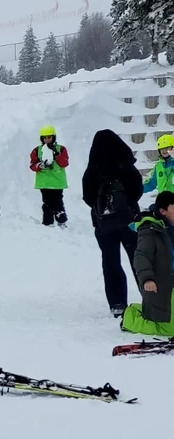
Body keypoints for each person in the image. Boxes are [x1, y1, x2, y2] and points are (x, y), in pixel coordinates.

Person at [82, 129, 143, 317]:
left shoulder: (92, 170)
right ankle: (150, 297)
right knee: (139, 260)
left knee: (110, 262)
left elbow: (87, 197)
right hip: (129, 221)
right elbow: (137, 189)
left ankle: (117, 303)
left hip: (104, 224)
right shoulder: (125, 166)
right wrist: (126, 204)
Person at [122, 191, 174, 336]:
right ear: (163, 211)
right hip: (163, 287)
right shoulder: (150, 230)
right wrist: (147, 279)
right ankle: (130, 317)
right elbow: (142, 256)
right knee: (169, 330)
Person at [29, 126, 69, 227]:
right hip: (44, 182)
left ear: (53, 137)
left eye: (49, 137)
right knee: (47, 202)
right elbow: (32, 165)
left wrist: (57, 155)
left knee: (58, 202)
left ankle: (61, 221)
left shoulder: (61, 149)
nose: (47, 140)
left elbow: (64, 163)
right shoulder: (37, 150)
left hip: (57, 182)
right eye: (44, 138)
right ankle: (48, 222)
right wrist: (40, 165)